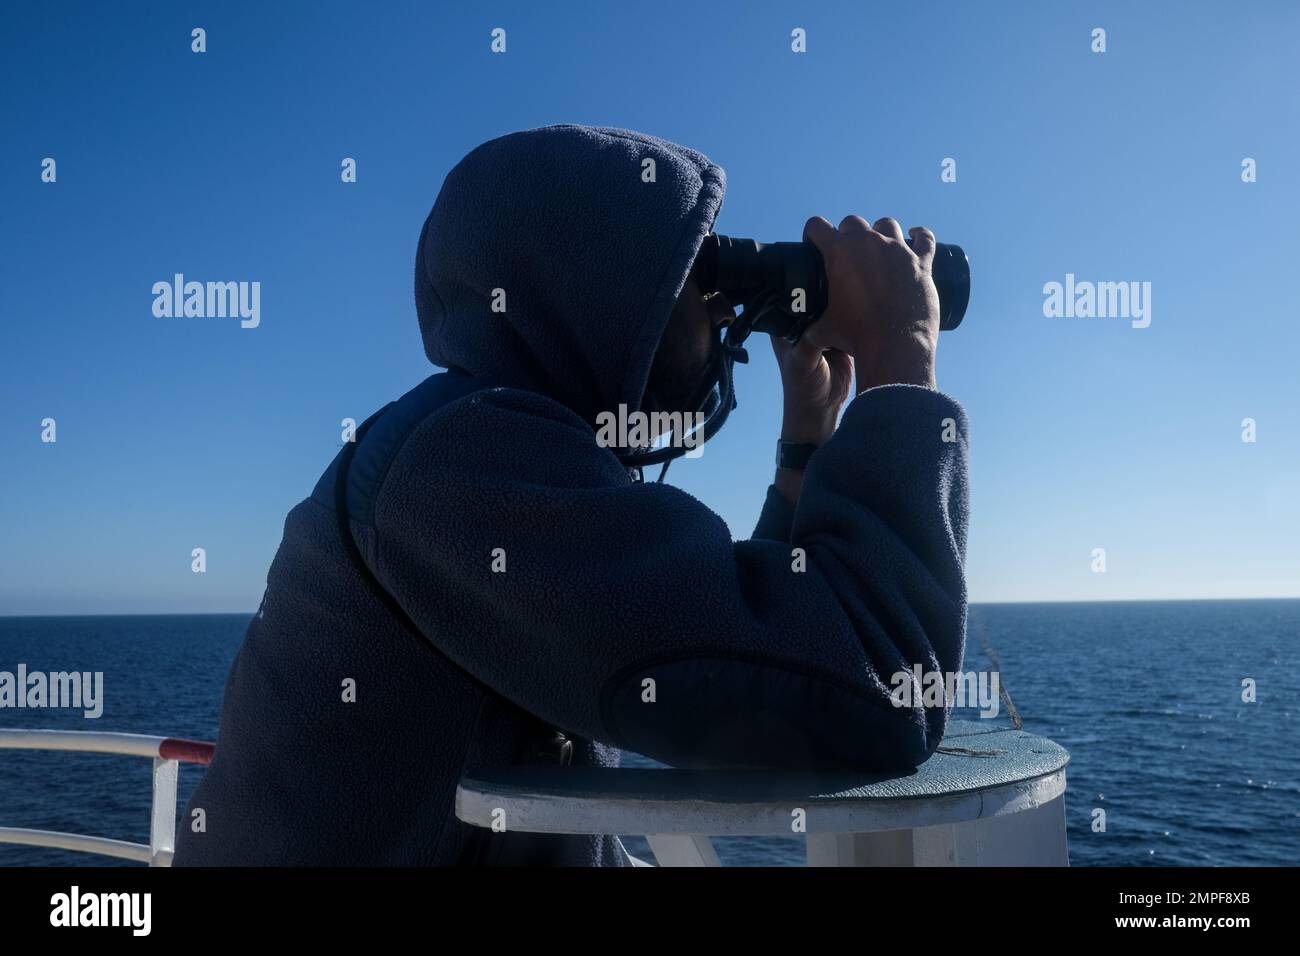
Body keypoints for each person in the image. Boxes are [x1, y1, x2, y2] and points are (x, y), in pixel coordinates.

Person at [174, 124, 969, 867]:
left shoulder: (475, 445)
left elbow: (752, 638)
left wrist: (808, 439)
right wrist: (904, 355)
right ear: (604, 296)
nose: (723, 310)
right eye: (695, 276)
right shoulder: (463, 465)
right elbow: (882, 694)